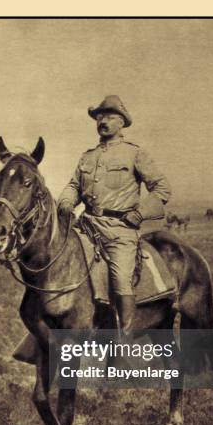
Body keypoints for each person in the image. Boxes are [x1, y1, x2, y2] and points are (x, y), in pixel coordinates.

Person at [57, 95, 171, 334]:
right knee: (58, 265)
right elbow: (74, 186)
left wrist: (140, 214)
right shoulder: (87, 156)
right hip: (86, 225)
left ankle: (124, 338)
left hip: (119, 231)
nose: (103, 121)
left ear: (122, 122)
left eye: (109, 116)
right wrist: (66, 201)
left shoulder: (134, 154)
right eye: (99, 116)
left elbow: (162, 189)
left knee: (120, 280)